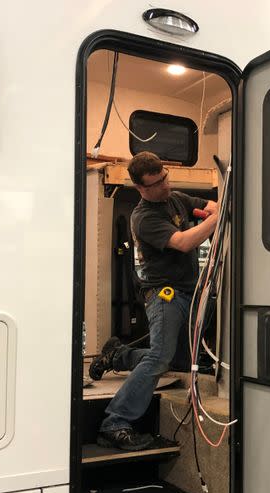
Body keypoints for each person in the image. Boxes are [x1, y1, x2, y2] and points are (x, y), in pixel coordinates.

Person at [90, 151, 219, 451]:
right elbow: (185, 242)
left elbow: (211, 205)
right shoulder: (144, 216)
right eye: (156, 183)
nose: (164, 185)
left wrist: (214, 211)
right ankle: (115, 422)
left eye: (164, 177)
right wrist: (217, 219)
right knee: (160, 357)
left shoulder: (176, 199)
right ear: (141, 188)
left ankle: (118, 356)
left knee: (172, 361)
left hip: (188, 291)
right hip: (164, 295)